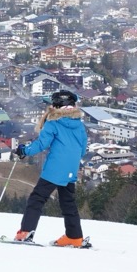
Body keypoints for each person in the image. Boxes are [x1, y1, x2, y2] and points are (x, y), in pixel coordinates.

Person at [12, 90, 89, 247]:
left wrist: (23, 150)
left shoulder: (53, 123)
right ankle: (74, 237)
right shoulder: (79, 125)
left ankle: (26, 232)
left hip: (55, 168)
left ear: (57, 105)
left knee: (37, 199)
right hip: (71, 168)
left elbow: (41, 144)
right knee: (68, 202)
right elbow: (82, 149)